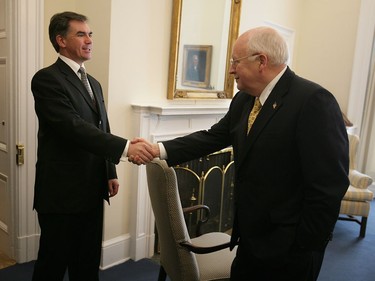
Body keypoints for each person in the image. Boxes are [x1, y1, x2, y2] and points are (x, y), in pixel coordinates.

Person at [133, 26, 350, 280]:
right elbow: (211, 137)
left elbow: (329, 185)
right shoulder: (244, 100)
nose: (231, 69)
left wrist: (305, 245)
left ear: (261, 61)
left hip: (289, 250)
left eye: (236, 61)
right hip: (249, 241)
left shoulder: (313, 101)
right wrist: (158, 149)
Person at [31, 11, 154, 281]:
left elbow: (101, 127)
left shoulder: (93, 83)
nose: (89, 40)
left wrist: (109, 170)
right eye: (81, 34)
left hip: (92, 188)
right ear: (61, 40)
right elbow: (74, 128)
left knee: (86, 263)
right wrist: (125, 148)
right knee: (52, 264)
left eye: (90, 34)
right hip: (61, 193)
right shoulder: (46, 79)